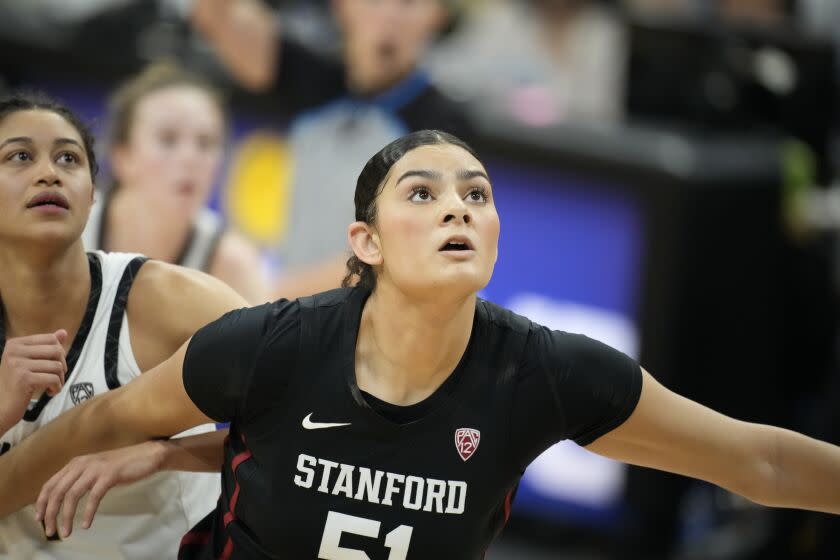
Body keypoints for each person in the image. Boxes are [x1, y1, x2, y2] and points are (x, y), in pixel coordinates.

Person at [1, 130, 839, 559]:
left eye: (477, 193)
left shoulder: (548, 373)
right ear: (364, 242)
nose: (459, 208)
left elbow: (757, 462)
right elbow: (94, 423)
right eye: (425, 191)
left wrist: (170, 458)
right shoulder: (270, 346)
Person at [0, 93, 248, 558]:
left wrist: (163, 454)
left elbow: (302, 415)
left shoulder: (167, 300)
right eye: (19, 156)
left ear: (92, 193)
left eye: (68, 158)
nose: (48, 172)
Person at [192, 0, 470, 299]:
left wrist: (273, 298)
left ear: (438, 15)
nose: (389, 15)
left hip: (369, 326)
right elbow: (215, 17)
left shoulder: (442, 127)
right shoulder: (312, 80)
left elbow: (401, 252)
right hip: (291, 314)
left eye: (408, 3)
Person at [81, 63, 266, 304]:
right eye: (168, 139)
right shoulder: (68, 230)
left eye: (206, 142)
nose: (190, 158)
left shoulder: (232, 265)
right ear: (123, 157)